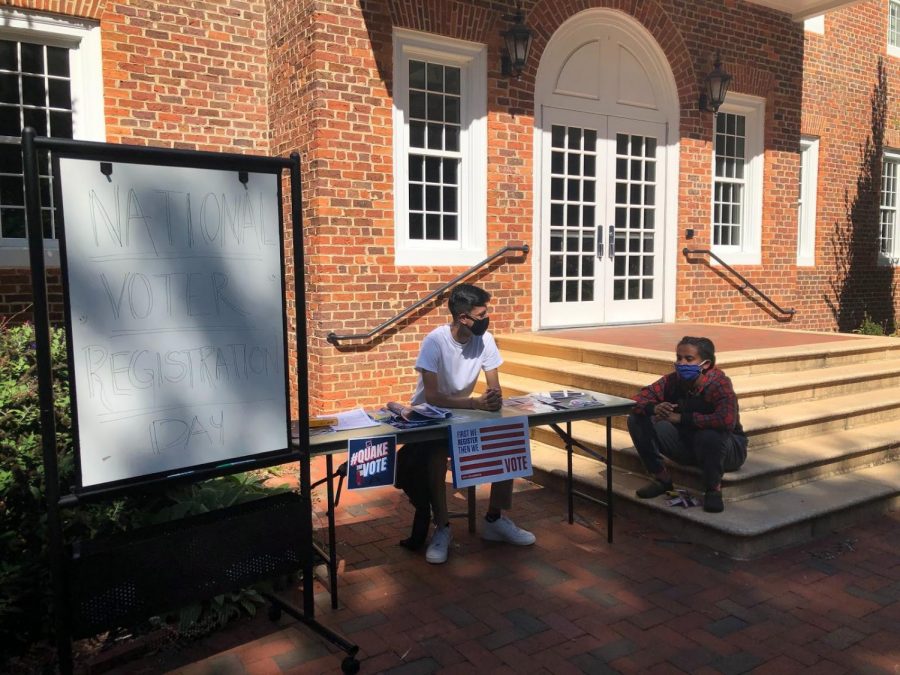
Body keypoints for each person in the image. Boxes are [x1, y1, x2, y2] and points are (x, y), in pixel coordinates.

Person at [395, 283, 535, 564]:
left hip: (467, 414)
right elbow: (433, 396)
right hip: (431, 417)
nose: (487, 318)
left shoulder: (485, 340)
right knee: (435, 456)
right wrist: (474, 402)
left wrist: (494, 398)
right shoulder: (435, 342)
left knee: (509, 439)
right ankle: (443, 527)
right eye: (482, 314)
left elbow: (494, 385)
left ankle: (494, 519)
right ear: (463, 318)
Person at [627, 336, 748, 513]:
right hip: (690, 444)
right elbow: (637, 399)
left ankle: (713, 489)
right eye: (678, 358)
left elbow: (726, 420)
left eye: (689, 359)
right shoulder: (672, 381)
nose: (681, 363)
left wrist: (682, 418)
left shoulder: (719, 384)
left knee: (709, 434)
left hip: (728, 450)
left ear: (705, 364)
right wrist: (654, 408)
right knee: (637, 419)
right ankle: (662, 479)